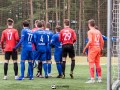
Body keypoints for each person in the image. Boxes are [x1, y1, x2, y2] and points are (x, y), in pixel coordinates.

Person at [83, 19, 104, 83]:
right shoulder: (98, 31)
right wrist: (101, 48)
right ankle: (99, 78)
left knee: (91, 63)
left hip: (92, 48)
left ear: (89, 24)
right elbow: (102, 41)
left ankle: (92, 79)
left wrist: (85, 48)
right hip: (98, 48)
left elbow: (90, 41)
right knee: (97, 63)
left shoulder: (90, 31)